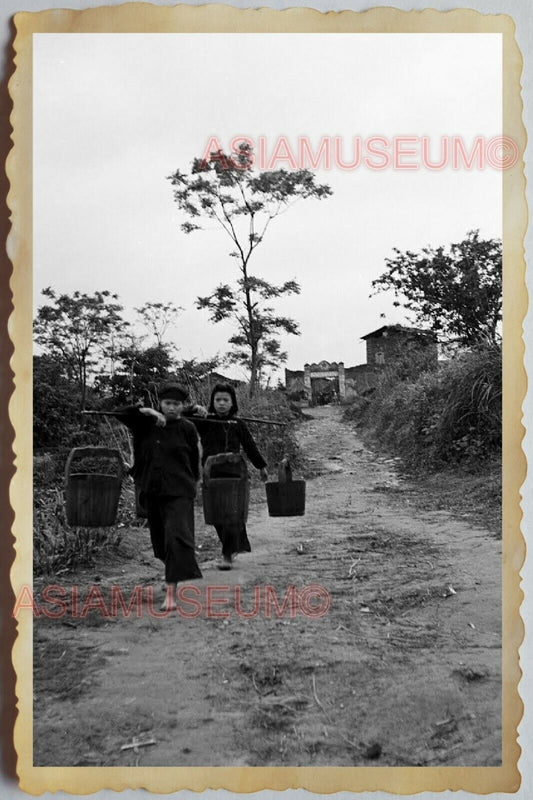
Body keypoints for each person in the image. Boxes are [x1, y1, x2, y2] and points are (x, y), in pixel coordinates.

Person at [114, 382, 202, 611]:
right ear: (160, 404)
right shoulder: (145, 424)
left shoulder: (188, 428)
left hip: (180, 491)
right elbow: (120, 413)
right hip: (152, 490)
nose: (171, 408)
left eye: (176, 404)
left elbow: (194, 459)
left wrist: (194, 483)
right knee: (160, 544)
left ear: (183, 406)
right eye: (167, 403)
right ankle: (173, 568)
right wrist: (148, 412)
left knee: (176, 537)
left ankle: (171, 593)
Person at [190, 383, 268, 570]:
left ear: (232, 402)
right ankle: (232, 547)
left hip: (235, 474)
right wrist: (193, 408)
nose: (221, 403)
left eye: (226, 400)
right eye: (218, 400)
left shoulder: (237, 424)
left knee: (233, 515)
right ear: (212, 402)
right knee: (217, 516)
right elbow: (181, 419)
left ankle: (227, 554)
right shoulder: (205, 421)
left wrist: (261, 466)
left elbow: (250, 446)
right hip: (211, 474)